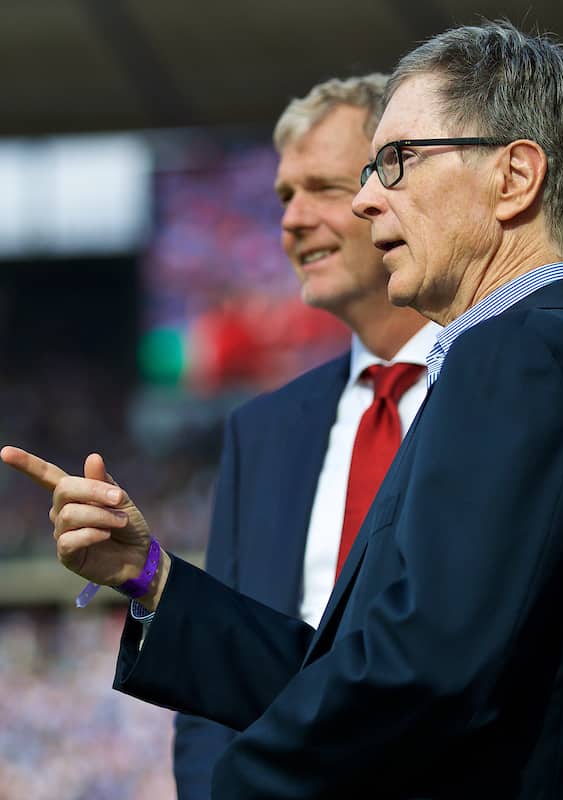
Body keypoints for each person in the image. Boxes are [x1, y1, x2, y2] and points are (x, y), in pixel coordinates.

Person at [2, 20, 563, 798]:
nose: (369, 200)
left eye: (397, 163)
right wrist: (154, 579)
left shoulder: (511, 357)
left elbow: (421, 676)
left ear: (514, 177)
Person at [172, 74, 439, 799]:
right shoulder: (261, 432)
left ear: (399, 188)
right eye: (284, 196)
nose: (291, 220)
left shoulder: (513, 392)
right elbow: (211, 687)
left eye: (321, 187)